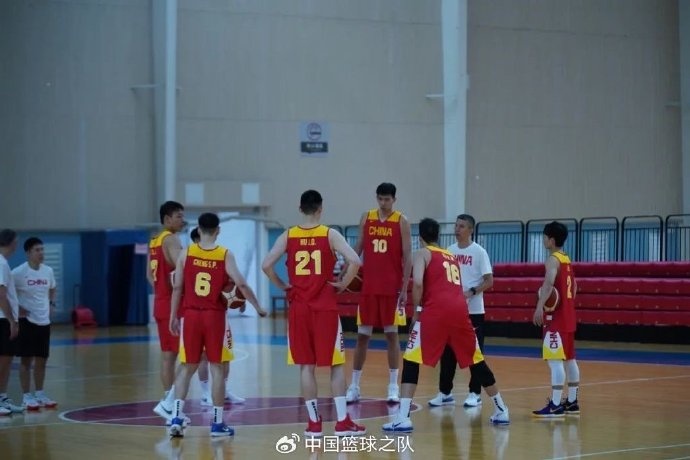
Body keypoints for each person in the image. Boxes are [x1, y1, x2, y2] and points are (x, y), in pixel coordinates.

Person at [382, 218, 509, 432]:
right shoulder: (450, 256)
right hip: (460, 311)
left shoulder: (422, 253)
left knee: (411, 359)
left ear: (420, 237)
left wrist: (417, 311)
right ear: (438, 235)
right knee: (476, 360)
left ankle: (403, 417)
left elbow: (418, 282)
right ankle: (501, 409)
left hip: (436, 311)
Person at [262, 189, 366, 437]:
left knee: (306, 367)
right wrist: (343, 284)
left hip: (299, 308)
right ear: (320, 208)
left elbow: (266, 265)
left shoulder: (289, 235)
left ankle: (313, 423)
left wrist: (282, 285)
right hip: (325, 307)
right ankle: (342, 422)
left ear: (300, 209)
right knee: (335, 365)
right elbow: (355, 261)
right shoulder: (330, 234)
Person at [168, 213, 267, 437]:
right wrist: (257, 306)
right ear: (218, 230)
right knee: (217, 368)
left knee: (186, 367)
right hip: (214, 317)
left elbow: (178, 287)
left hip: (191, 316)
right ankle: (217, 423)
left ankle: (176, 418)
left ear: (198, 228)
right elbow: (241, 284)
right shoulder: (224, 255)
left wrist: (174, 315)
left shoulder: (187, 253)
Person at [346, 182, 412, 404]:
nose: (383, 203)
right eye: (380, 199)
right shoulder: (367, 217)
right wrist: (346, 270)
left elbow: (408, 256)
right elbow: (358, 247)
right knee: (362, 337)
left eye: (387, 199)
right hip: (369, 287)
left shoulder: (401, 221)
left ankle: (393, 386)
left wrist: (404, 288)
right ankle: (354, 386)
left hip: (391, 288)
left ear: (394, 199)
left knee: (391, 336)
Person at [429, 214, 494, 408]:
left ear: (471, 230)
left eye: (462, 226)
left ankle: (475, 393)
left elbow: (489, 281)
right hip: (451, 311)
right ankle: (445, 392)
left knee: (474, 353)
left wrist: (471, 292)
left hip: (473, 311)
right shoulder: (449, 251)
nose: (457, 229)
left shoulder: (479, 252)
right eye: (456, 226)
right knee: (447, 352)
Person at [187, 227, 245, 407]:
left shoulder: (220, 256)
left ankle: (223, 390)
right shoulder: (188, 258)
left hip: (219, 315)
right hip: (198, 314)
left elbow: (232, 282)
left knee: (225, 356)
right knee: (203, 357)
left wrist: (240, 300)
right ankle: (205, 393)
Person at [532, 221, 580, 417]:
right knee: (570, 359)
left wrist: (539, 306)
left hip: (556, 319)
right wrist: (566, 302)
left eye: (544, 237)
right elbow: (575, 287)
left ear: (551, 240)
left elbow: (549, 283)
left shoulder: (552, 260)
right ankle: (572, 402)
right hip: (569, 316)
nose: (543, 240)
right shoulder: (566, 258)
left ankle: (555, 405)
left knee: (554, 361)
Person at [148, 201, 186, 421]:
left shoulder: (154, 241)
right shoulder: (171, 239)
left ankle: (167, 400)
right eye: (179, 216)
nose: (182, 220)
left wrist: (162, 288)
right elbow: (182, 266)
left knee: (168, 357)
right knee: (192, 355)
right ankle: (169, 402)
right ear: (167, 218)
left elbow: (149, 275)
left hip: (160, 302)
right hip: (174, 306)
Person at [12, 237, 58, 410]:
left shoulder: (48, 271)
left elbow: (53, 288)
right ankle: (26, 396)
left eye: (42, 249)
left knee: (42, 359)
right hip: (26, 321)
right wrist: (17, 308)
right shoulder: (18, 273)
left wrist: (51, 303)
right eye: (37, 250)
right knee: (26, 360)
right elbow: (7, 293)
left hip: (44, 321)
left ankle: (40, 393)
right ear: (28, 253)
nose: (41, 253)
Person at [0, 229, 23, 415]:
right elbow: (1, 294)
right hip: (2, 319)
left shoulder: (4, 262)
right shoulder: (0, 263)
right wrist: (11, 320)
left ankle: (2, 397)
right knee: (3, 360)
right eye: (16, 241)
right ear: (11, 242)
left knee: (7, 360)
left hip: (5, 318)